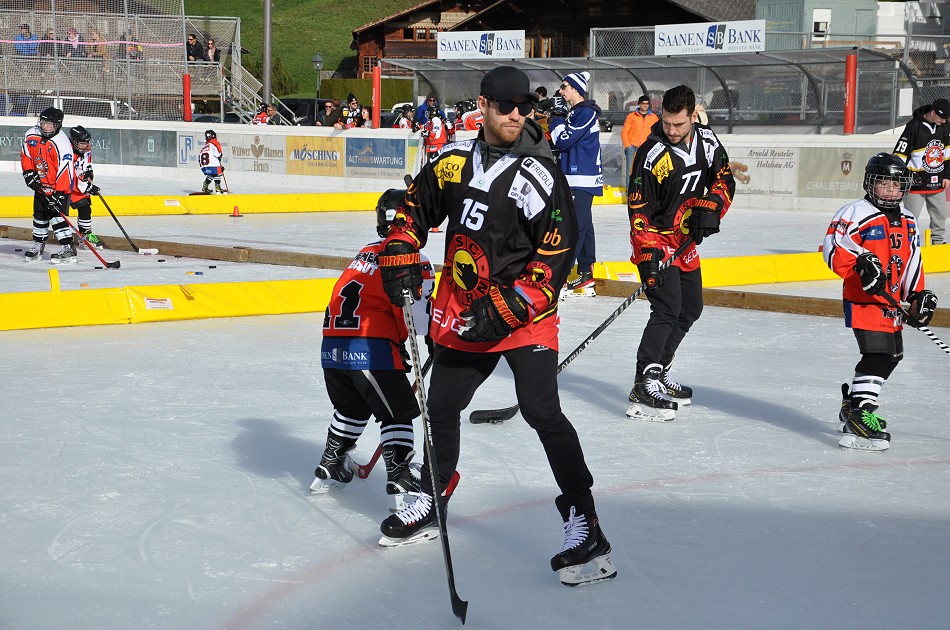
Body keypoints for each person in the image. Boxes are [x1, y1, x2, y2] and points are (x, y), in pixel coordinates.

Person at [375, 65, 617, 586]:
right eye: (506, 106)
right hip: (465, 310)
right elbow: (414, 208)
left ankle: (586, 522)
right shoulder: (452, 164)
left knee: (540, 411)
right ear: (482, 106)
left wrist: (506, 308)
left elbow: (556, 257)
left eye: (524, 107)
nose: (516, 115)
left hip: (522, 317)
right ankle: (432, 494)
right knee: (441, 404)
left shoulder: (537, 174)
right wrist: (399, 249)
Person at [311, 189, 435, 510]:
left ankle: (332, 460)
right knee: (398, 411)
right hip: (369, 347)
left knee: (352, 408)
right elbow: (415, 315)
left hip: (332, 348)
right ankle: (400, 474)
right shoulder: (411, 257)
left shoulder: (363, 252)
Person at [625, 84, 735, 421]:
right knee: (667, 307)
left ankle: (661, 371)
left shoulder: (707, 140)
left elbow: (724, 178)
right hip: (655, 240)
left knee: (691, 308)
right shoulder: (650, 152)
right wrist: (648, 254)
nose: (671, 131)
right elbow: (638, 208)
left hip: (684, 241)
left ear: (693, 115)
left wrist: (712, 206)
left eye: (679, 125)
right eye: (667, 123)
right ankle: (644, 380)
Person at [822, 153, 937, 452]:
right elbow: (833, 248)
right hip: (864, 297)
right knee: (877, 353)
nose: (890, 190)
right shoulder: (855, 212)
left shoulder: (910, 219)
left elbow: (913, 261)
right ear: (870, 183)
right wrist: (861, 262)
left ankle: (853, 407)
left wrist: (916, 294)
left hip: (892, 299)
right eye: (884, 183)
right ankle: (859, 417)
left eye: (897, 185)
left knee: (892, 355)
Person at [549, 71, 603, 298]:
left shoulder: (585, 113)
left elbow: (562, 140)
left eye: (564, 87)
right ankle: (585, 272)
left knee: (573, 228)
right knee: (584, 225)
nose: (561, 92)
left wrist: (556, 116)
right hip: (575, 177)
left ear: (575, 89)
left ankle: (560, 278)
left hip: (580, 178)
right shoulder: (577, 113)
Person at [20, 107, 76, 263]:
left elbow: (66, 170)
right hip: (41, 186)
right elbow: (26, 154)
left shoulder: (62, 143)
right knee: (39, 216)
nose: (46, 127)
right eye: (44, 123)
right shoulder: (31, 134)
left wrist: (58, 194)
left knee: (58, 218)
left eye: (50, 124)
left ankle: (68, 248)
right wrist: (28, 173)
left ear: (58, 125)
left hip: (58, 187)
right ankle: (38, 245)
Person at [892, 98, 950, 245]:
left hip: (937, 180)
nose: (943, 121)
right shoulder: (914, 126)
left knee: (940, 213)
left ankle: (938, 242)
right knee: (910, 216)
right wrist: (900, 176)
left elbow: (948, 152)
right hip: (915, 181)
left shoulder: (945, 126)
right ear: (933, 112)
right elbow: (900, 153)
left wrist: (948, 175)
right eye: (941, 118)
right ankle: (909, 244)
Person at [67, 126, 104, 249]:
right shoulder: (67, 152)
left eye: (86, 143)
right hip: (66, 185)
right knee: (57, 213)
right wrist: (87, 187)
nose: (85, 145)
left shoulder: (86, 148)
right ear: (74, 141)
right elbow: (71, 175)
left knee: (85, 208)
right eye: (82, 143)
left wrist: (88, 173)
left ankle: (86, 236)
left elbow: (87, 163)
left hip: (79, 186)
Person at [621, 95, 658, 186]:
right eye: (643, 103)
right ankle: (629, 193)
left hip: (646, 148)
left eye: (647, 103)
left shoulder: (653, 117)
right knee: (631, 171)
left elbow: (656, 132)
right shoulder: (631, 116)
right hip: (633, 147)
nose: (645, 105)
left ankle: (640, 192)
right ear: (639, 104)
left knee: (644, 171)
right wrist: (628, 146)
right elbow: (625, 131)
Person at [198, 129, 225, 194]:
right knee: (218, 172)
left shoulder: (205, 145)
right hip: (212, 164)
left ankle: (205, 186)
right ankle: (218, 188)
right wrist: (220, 157)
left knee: (212, 174)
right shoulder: (214, 142)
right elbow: (218, 154)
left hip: (204, 166)